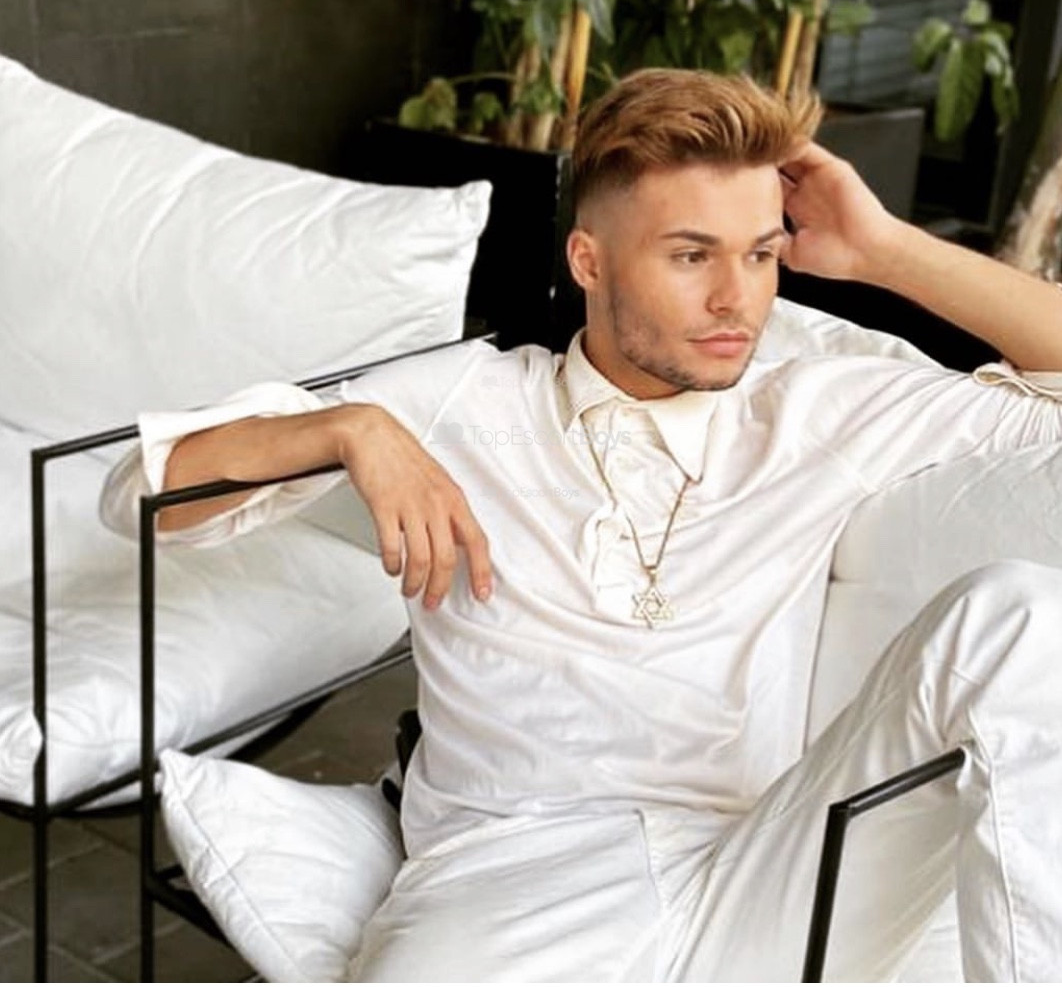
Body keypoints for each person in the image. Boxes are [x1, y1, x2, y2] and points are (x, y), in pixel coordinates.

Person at [101, 68, 1062, 981]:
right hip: (510, 881)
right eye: (691, 255)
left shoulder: (822, 410)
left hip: (759, 873)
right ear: (588, 261)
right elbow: (142, 494)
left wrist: (885, 249)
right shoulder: (464, 401)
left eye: (761, 254)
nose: (737, 299)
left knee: (1019, 618)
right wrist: (346, 429)